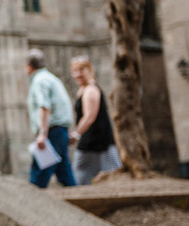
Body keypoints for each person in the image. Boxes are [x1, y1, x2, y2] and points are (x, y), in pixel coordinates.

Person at [25, 48, 76, 187]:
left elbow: (44, 106)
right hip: (60, 130)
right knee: (64, 172)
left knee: (39, 173)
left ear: (29, 66)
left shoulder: (39, 81)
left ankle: (29, 203)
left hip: (52, 131)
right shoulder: (52, 78)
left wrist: (42, 133)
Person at [68, 56, 122, 184]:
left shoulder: (91, 90)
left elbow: (89, 117)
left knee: (81, 173)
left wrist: (76, 134)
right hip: (96, 142)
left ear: (90, 69)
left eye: (81, 70)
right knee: (110, 172)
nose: (77, 74)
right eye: (74, 71)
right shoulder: (83, 89)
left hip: (96, 141)